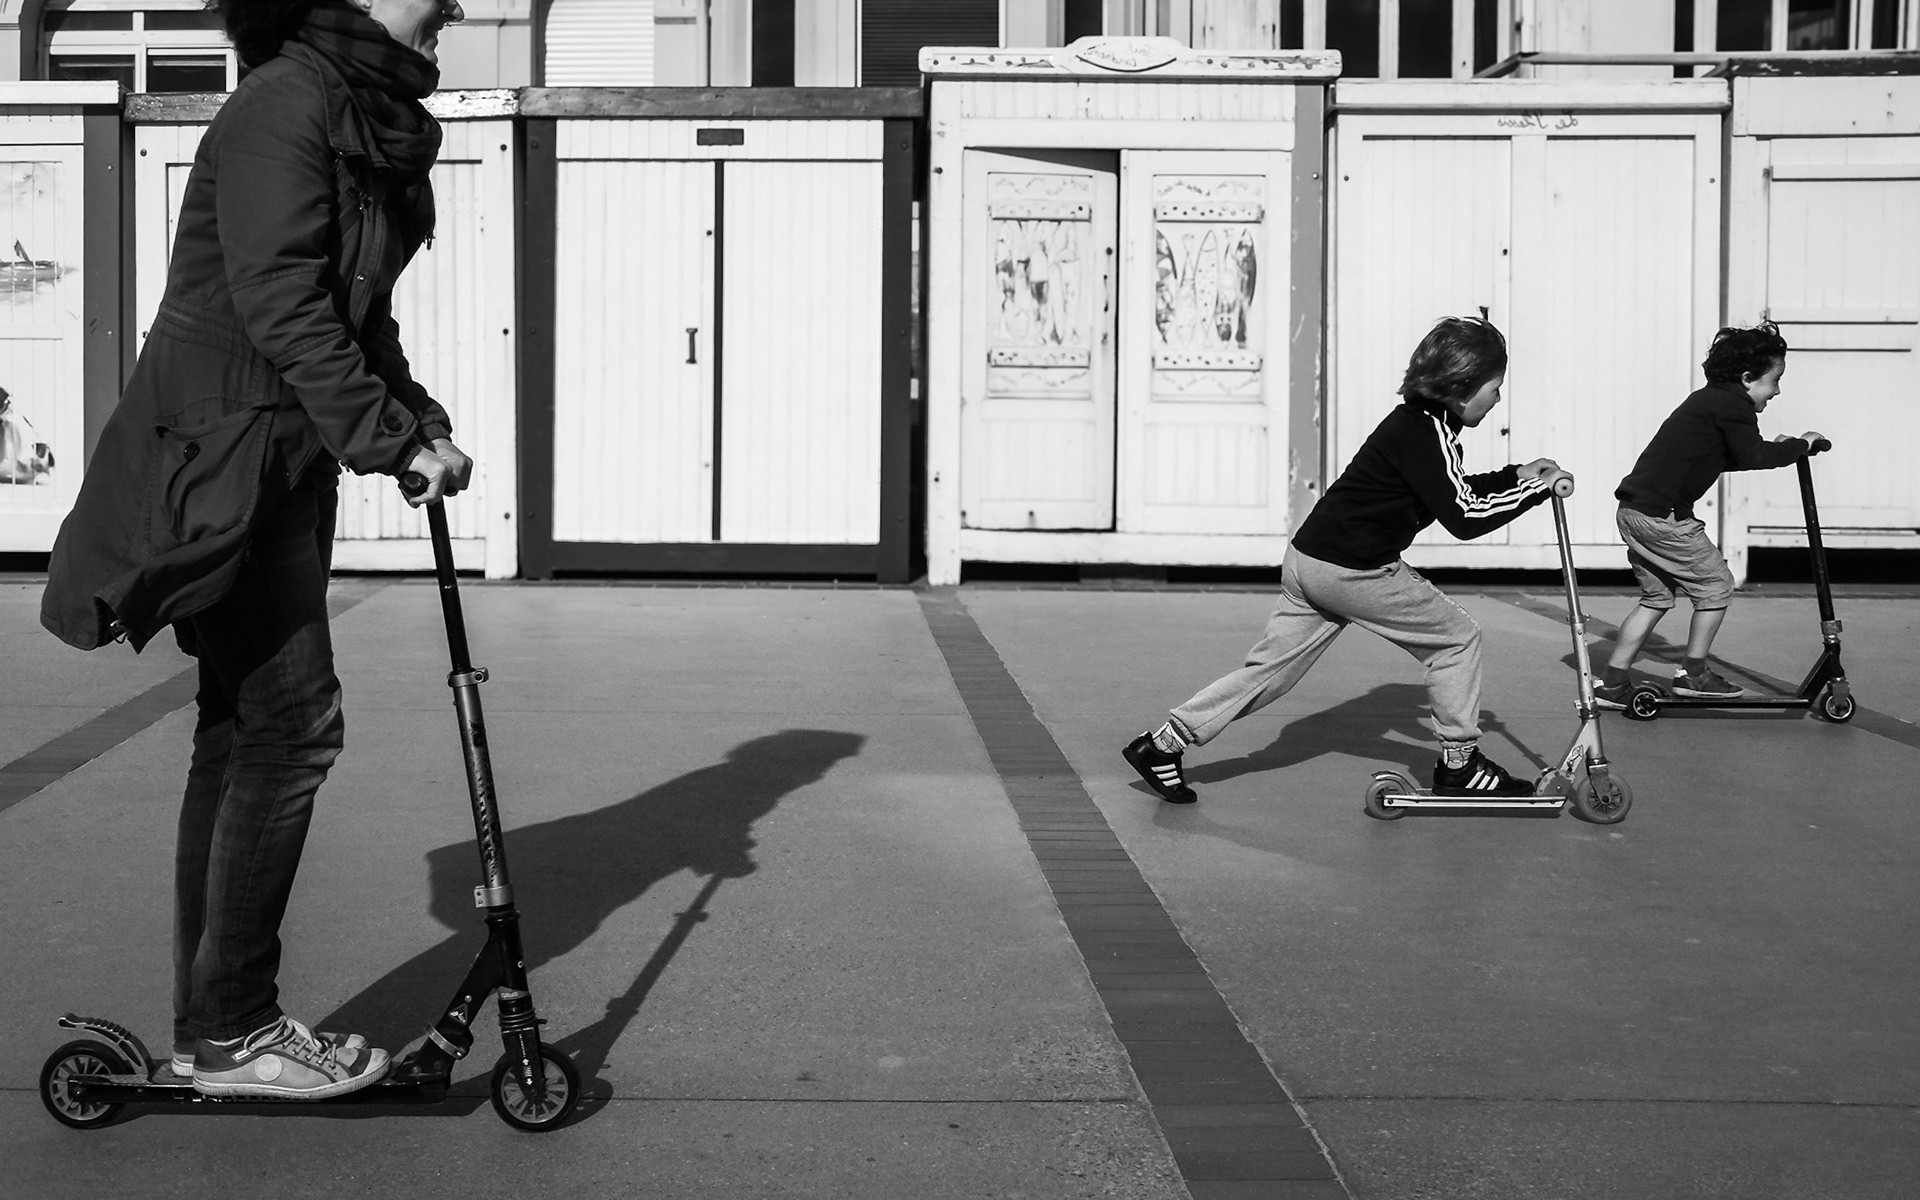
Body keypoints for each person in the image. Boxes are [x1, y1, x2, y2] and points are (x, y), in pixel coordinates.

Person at [40, 0, 469, 1100]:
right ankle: (235, 1030)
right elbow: (279, 301)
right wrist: (385, 440)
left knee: (241, 733)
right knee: (292, 725)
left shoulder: (353, 108)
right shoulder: (287, 101)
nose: (458, 4)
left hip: (276, 462)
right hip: (222, 461)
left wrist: (413, 418)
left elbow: (353, 308)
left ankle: (213, 1029)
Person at [1123, 316, 1562, 805]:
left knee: (1270, 671)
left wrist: (1515, 475)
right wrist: (1533, 489)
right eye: (1494, 387)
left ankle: (1163, 744)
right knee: (1456, 640)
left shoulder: (1417, 425)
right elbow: (1463, 515)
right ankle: (1459, 765)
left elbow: (1452, 492)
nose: (1498, 398)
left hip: (1311, 559)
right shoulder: (1424, 433)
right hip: (1355, 569)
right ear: (1461, 389)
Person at [1590, 322, 1822, 708]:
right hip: (1662, 517)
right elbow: (1753, 455)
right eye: (1774, 380)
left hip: (1635, 511)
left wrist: (1783, 449)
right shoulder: (1734, 405)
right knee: (1716, 585)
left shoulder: (1710, 400)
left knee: (1657, 597)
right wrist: (1800, 446)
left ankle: (1612, 683)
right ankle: (1695, 675)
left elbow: (1727, 456)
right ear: (1748, 378)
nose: (1777, 391)